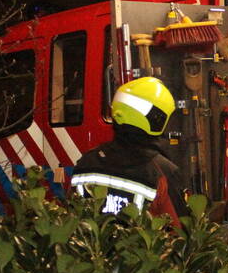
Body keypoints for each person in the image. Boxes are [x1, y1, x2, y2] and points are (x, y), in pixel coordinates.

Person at [70, 76, 189, 222]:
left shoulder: (86, 162)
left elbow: (69, 221)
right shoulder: (163, 172)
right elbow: (180, 235)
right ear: (158, 119)